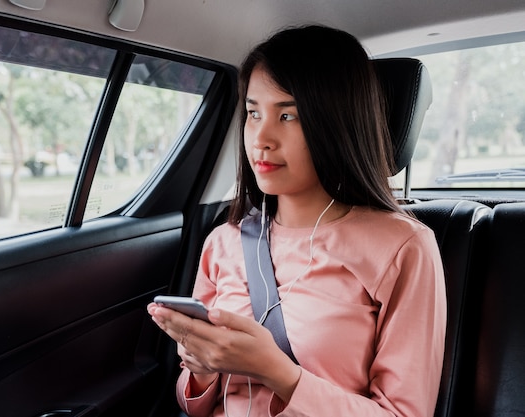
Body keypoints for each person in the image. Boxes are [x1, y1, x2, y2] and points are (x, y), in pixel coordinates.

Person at [148, 24, 446, 417]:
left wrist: (277, 372)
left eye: (288, 116)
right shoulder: (224, 241)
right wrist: (201, 369)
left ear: (337, 123)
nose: (260, 138)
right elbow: (194, 403)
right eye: (254, 113)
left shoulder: (404, 248)